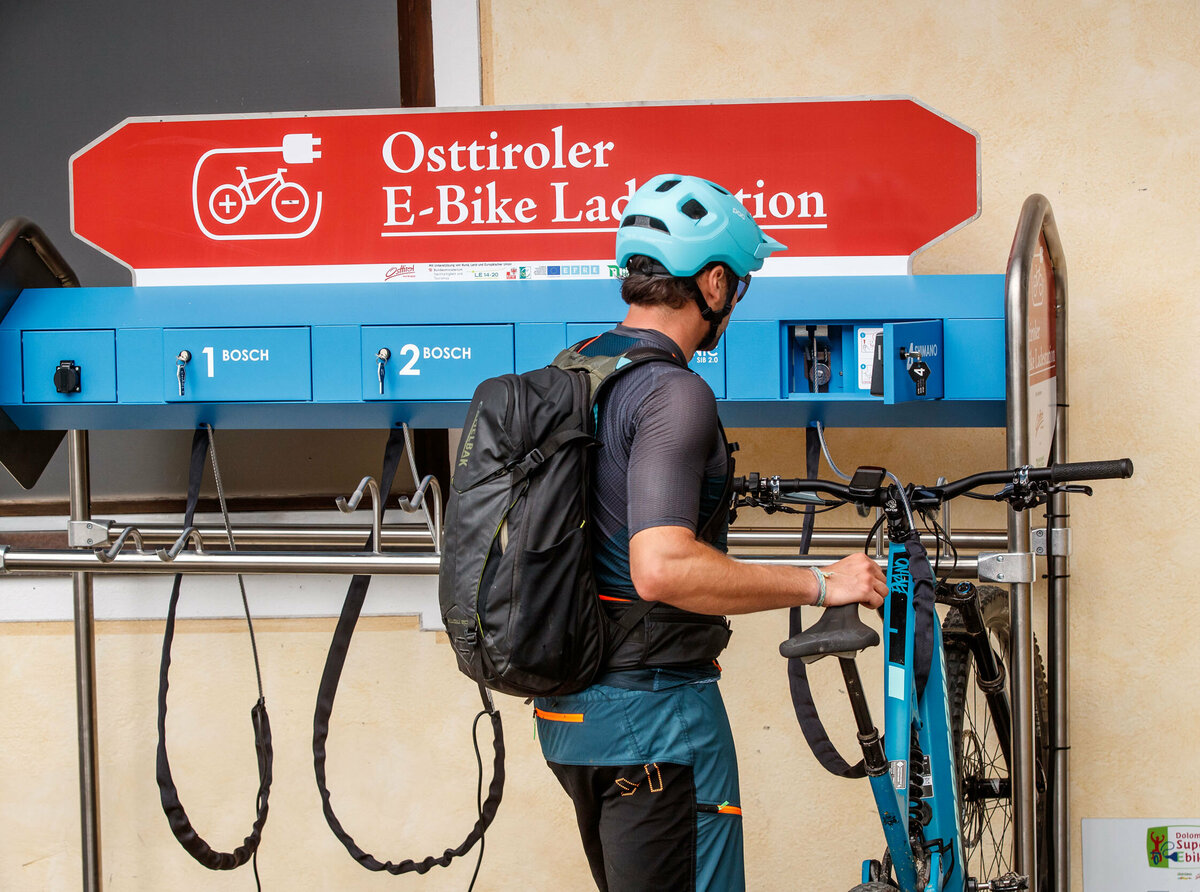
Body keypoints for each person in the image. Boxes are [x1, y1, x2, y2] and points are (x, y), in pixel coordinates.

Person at [533, 174, 887, 891]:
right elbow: (661, 567)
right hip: (657, 721)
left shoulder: (575, 372)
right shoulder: (672, 391)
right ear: (716, 285)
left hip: (570, 715)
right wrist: (822, 583)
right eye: (741, 284)